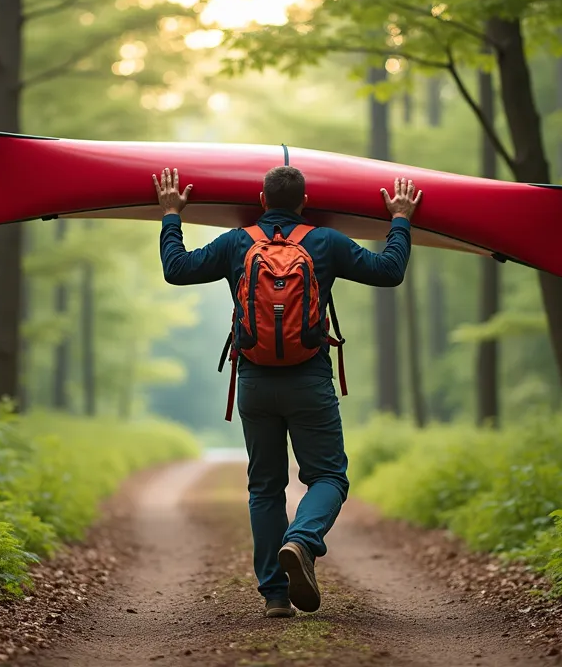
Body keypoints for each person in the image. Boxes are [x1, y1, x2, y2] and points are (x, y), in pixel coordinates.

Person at [154, 165, 422, 618]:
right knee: (329, 477)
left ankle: (276, 596)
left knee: (265, 489)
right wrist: (399, 219)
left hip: (255, 380)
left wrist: (171, 213)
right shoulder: (324, 241)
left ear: (260, 200)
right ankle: (302, 540)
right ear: (304, 202)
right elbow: (389, 271)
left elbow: (176, 270)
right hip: (308, 380)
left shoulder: (237, 241)